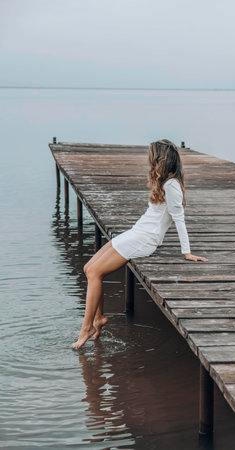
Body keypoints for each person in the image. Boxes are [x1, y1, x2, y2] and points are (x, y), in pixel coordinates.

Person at [72, 139, 208, 349]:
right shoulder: (166, 182)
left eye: (151, 157)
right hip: (138, 231)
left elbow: (179, 219)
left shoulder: (172, 186)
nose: (148, 160)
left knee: (94, 273)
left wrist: (187, 253)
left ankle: (87, 327)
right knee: (88, 268)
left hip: (146, 239)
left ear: (159, 160)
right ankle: (98, 318)